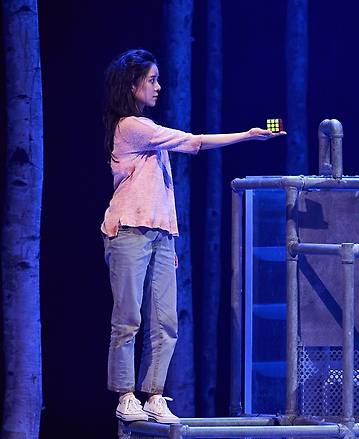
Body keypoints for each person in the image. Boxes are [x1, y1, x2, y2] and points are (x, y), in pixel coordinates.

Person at [101, 49, 285, 424]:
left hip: (160, 234)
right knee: (128, 318)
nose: (158, 87)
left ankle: (153, 396)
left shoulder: (147, 130)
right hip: (130, 231)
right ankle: (125, 395)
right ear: (133, 84)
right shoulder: (131, 126)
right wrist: (247, 136)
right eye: (152, 80)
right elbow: (192, 142)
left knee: (166, 320)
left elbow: (161, 189)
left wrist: (170, 236)